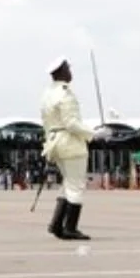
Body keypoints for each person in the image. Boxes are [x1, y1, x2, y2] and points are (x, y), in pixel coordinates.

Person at [41, 58, 110, 240]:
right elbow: (71, 123)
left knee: (68, 183)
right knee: (76, 186)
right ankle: (70, 227)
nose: (71, 72)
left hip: (54, 141)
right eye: (68, 68)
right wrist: (94, 134)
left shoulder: (48, 94)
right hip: (70, 143)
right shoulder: (65, 94)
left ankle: (56, 224)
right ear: (62, 72)